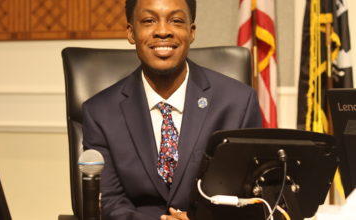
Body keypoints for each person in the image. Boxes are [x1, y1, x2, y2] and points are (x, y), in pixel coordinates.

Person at [82, 0, 262, 219]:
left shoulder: (237, 102)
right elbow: (110, 202)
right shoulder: (100, 112)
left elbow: (249, 197)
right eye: (149, 21)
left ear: (191, 31)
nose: (163, 31)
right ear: (131, 32)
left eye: (176, 21)